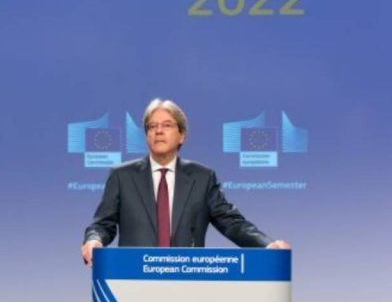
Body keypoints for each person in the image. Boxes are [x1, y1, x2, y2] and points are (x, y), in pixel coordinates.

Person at [81, 98, 289, 265]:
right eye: (152, 126)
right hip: (133, 279)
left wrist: (266, 245)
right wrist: (94, 240)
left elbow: (232, 223)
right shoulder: (122, 176)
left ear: (182, 135)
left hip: (187, 280)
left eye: (167, 125)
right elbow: (102, 224)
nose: (158, 131)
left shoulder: (202, 177)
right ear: (146, 136)